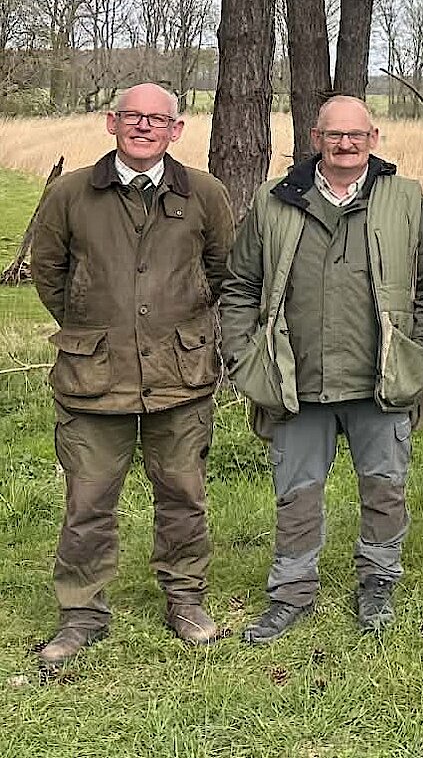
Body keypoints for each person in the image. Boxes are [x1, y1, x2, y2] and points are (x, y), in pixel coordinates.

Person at [222, 96, 423, 642]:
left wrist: (418, 352)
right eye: (334, 135)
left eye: (356, 134)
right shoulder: (274, 200)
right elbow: (239, 286)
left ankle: (378, 583)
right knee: (296, 494)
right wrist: (244, 357)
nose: (345, 144)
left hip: (382, 382)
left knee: (385, 490)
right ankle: (292, 592)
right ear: (315, 139)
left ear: (374, 139)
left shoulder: (404, 198)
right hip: (296, 382)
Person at [29, 83, 234, 667]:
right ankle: (81, 611)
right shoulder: (71, 193)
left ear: (176, 129)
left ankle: (185, 599)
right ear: (111, 122)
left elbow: (221, 269)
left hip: (180, 376)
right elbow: (49, 271)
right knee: (88, 500)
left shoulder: (204, 193)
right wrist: (92, 327)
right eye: (133, 117)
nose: (144, 126)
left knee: (183, 495)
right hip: (94, 379)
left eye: (157, 119)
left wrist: (178, 327)